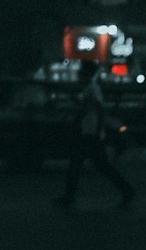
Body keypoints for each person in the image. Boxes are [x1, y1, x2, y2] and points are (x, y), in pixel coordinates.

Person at [53, 61, 135, 209]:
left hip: (91, 133)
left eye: (81, 72)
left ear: (86, 74)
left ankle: (127, 191)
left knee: (86, 165)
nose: (78, 75)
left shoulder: (92, 88)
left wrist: (98, 131)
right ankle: (126, 191)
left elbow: (98, 110)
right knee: (87, 165)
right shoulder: (89, 89)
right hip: (89, 132)